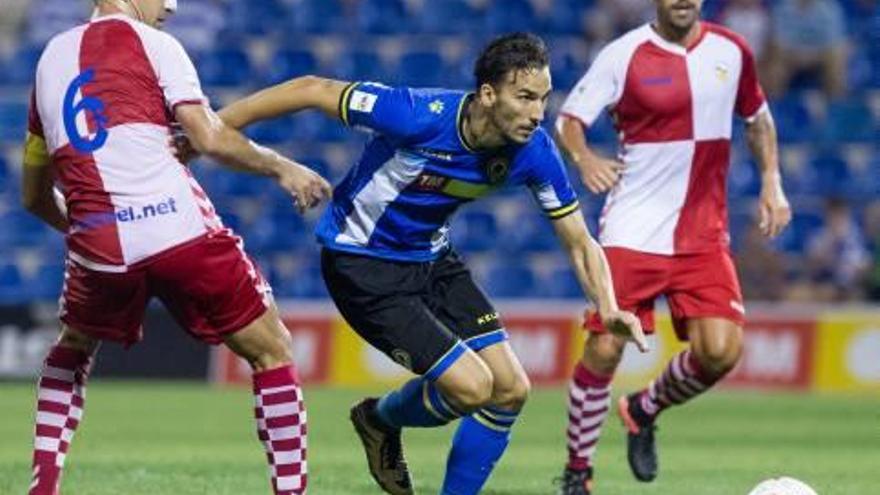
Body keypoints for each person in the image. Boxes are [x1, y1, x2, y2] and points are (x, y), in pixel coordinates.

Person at [216, 33, 647, 495]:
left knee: (511, 390)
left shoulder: (534, 151)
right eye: (524, 97)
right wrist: (212, 128)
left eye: (542, 99)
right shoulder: (416, 114)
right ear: (488, 94)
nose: (537, 113)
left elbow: (579, 241)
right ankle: (379, 420)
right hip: (363, 265)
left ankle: (386, 431)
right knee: (472, 388)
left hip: (433, 260)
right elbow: (310, 88)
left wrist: (608, 305)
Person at [22, 1, 330, 494]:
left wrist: (97, 230)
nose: (172, 5)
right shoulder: (156, 45)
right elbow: (207, 138)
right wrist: (281, 167)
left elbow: (33, 196)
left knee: (72, 348)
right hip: (176, 231)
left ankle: (43, 487)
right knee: (272, 351)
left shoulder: (47, 61)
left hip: (96, 240)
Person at [553, 1, 792, 493]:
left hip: (702, 234)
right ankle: (578, 472)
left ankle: (644, 407)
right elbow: (568, 119)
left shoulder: (732, 50)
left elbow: (758, 119)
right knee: (604, 346)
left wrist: (772, 181)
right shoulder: (623, 55)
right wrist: (584, 158)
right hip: (632, 230)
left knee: (721, 353)